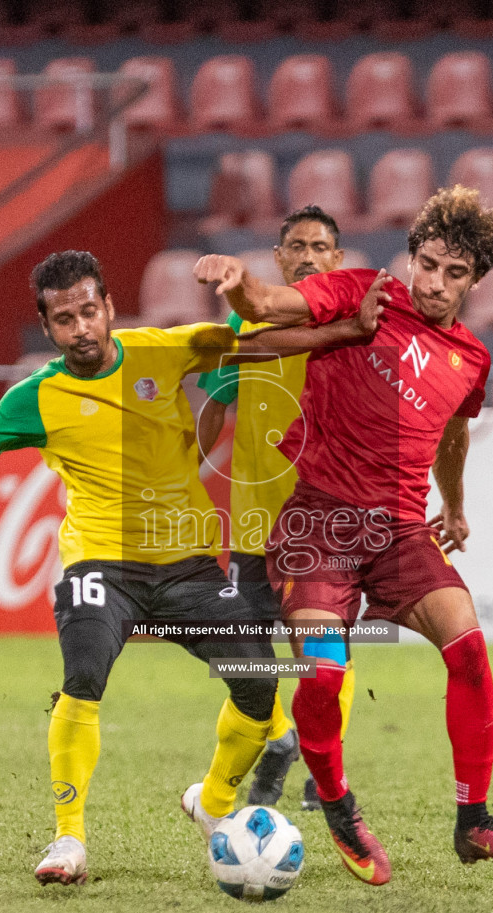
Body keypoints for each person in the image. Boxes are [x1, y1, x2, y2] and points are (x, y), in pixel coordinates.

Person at [0, 250, 385, 888]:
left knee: (258, 685)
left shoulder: (161, 350)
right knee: (84, 674)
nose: (81, 328)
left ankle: (215, 802)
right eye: (65, 319)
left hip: (186, 565)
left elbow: (258, 343)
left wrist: (346, 330)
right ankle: (69, 839)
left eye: (90, 311)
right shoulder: (38, 396)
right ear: (48, 326)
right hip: (100, 564)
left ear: (110, 307)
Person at [188, 186, 493, 886]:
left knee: (467, 647)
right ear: (411, 256)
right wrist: (239, 282)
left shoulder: (470, 358)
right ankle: (340, 809)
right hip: (319, 520)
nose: (436, 284)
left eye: (454, 273)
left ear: (475, 282)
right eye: (428, 265)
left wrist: (456, 504)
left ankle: (474, 820)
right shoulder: (361, 293)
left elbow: (455, 431)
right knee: (323, 673)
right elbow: (268, 308)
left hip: (403, 531)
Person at [194, 205, 356, 812]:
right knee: (246, 664)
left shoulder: (353, 331)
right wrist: (190, 464)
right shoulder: (248, 331)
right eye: (297, 245)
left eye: (321, 246)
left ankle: (323, 770)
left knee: (322, 658)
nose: (309, 254)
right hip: (255, 530)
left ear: (338, 260)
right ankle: (282, 740)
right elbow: (216, 403)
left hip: (323, 527)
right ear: (279, 257)